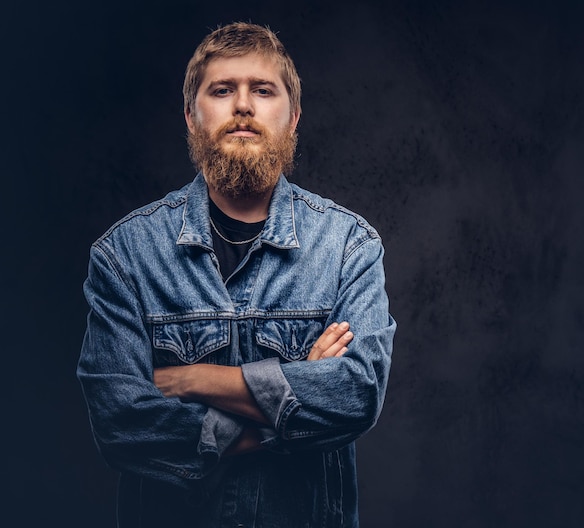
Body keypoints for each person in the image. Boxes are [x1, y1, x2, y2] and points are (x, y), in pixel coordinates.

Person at [77, 21, 395, 528]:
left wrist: (195, 380)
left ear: (293, 118)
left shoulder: (348, 247)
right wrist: (285, 411)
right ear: (190, 116)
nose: (242, 106)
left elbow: (355, 393)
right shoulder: (125, 255)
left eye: (262, 90)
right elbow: (121, 423)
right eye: (222, 90)